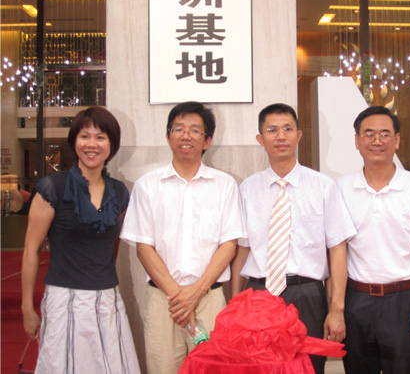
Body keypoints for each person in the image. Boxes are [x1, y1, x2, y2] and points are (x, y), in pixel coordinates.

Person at [120, 101, 245, 374]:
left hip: (209, 299)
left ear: (207, 141)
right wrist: (179, 297)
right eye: (178, 129)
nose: (186, 135)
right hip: (163, 301)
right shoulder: (147, 185)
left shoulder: (225, 185)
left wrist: (196, 292)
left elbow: (229, 245)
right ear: (168, 137)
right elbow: (143, 247)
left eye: (194, 130)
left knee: (213, 370)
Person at [231, 103, 356, 374]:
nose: (281, 136)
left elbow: (337, 249)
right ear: (260, 138)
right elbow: (242, 250)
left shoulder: (323, 186)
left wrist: (336, 309)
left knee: (308, 367)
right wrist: (234, 304)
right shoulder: (247, 189)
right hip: (258, 294)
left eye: (287, 129)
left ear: (298, 135)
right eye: (272, 130)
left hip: (307, 295)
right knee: (258, 368)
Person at [21, 107, 140, 373]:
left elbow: (112, 246)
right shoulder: (52, 188)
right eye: (85, 136)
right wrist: (27, 307)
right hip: (64, 299)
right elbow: (30, 250)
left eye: (100, 137)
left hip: (107, 298)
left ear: (112, 145)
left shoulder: (119, 191)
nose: (91, 144)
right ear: (74, 141)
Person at [337, 106, 410, 374]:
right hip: (356, 300)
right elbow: (336, 250)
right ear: (357, 141)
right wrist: (335, 307)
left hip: (403, 302)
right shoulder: (341, 188)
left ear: (397, 140)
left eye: (385, 134)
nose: (377, 141)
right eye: (369, 134)